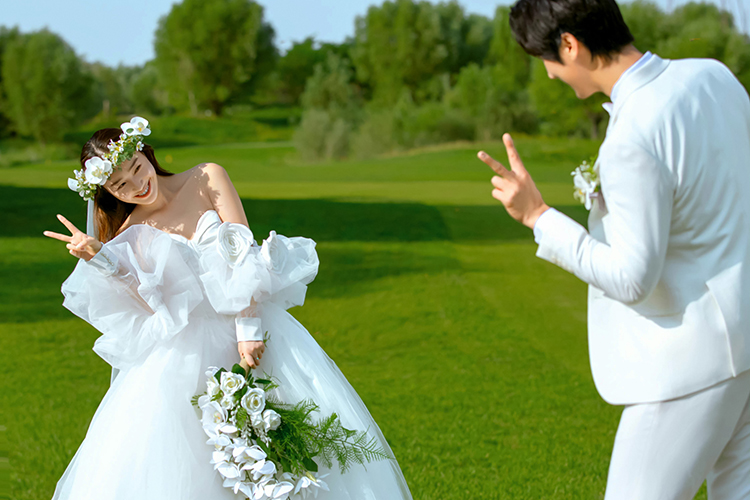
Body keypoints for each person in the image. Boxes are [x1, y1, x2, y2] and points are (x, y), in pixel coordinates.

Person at [45, 118, 413, 500]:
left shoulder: (207, 177)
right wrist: (103, 259)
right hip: (185, 352)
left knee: (291, 446)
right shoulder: (132, 233)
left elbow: (244, 254)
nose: (137, 184)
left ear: (144, 153)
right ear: (107, 192)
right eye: (120, 185)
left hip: (251, 328)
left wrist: (249, 328)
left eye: (136, 168)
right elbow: (153, 307)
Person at [477, 0, 750, 498]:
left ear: (569, 45)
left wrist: (538, 216)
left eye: (545, 59)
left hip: (687, 364)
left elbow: (631, 278)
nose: (549, 74)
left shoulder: (631, 137)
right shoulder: (715, 77)